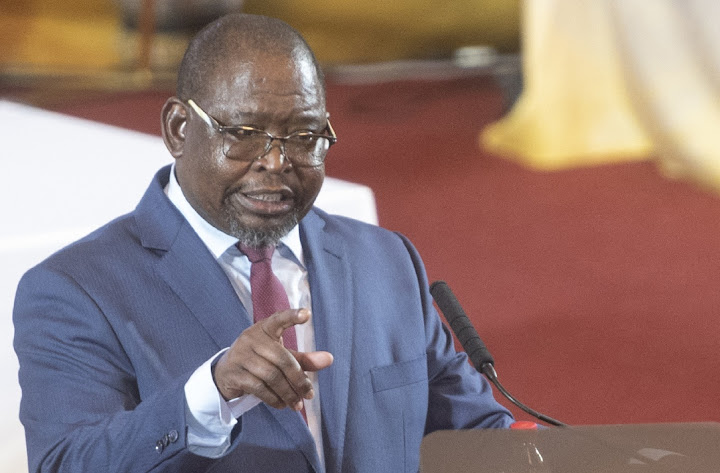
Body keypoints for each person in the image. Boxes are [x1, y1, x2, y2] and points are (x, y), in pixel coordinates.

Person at [13, 13, 513, 473]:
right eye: (245, 133)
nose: (276, 163)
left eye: (303, 136)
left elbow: (476, 436)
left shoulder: (385, 261)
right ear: (179, 130)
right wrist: (210, 394)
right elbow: (66, 463)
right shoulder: (75, 291)